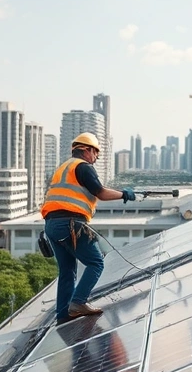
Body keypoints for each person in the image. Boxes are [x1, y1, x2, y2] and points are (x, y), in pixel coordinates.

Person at [41, 132, 136, 324]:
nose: (96, 157)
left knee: (67, 271)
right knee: (96, 262)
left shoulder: (63, 168)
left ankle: (63, 314)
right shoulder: (83, 167)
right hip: (71, 224)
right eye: (96, 153)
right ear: (87, 150)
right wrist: (124, 194)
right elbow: (100, 192)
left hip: (51, 226)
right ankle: (78, 302)